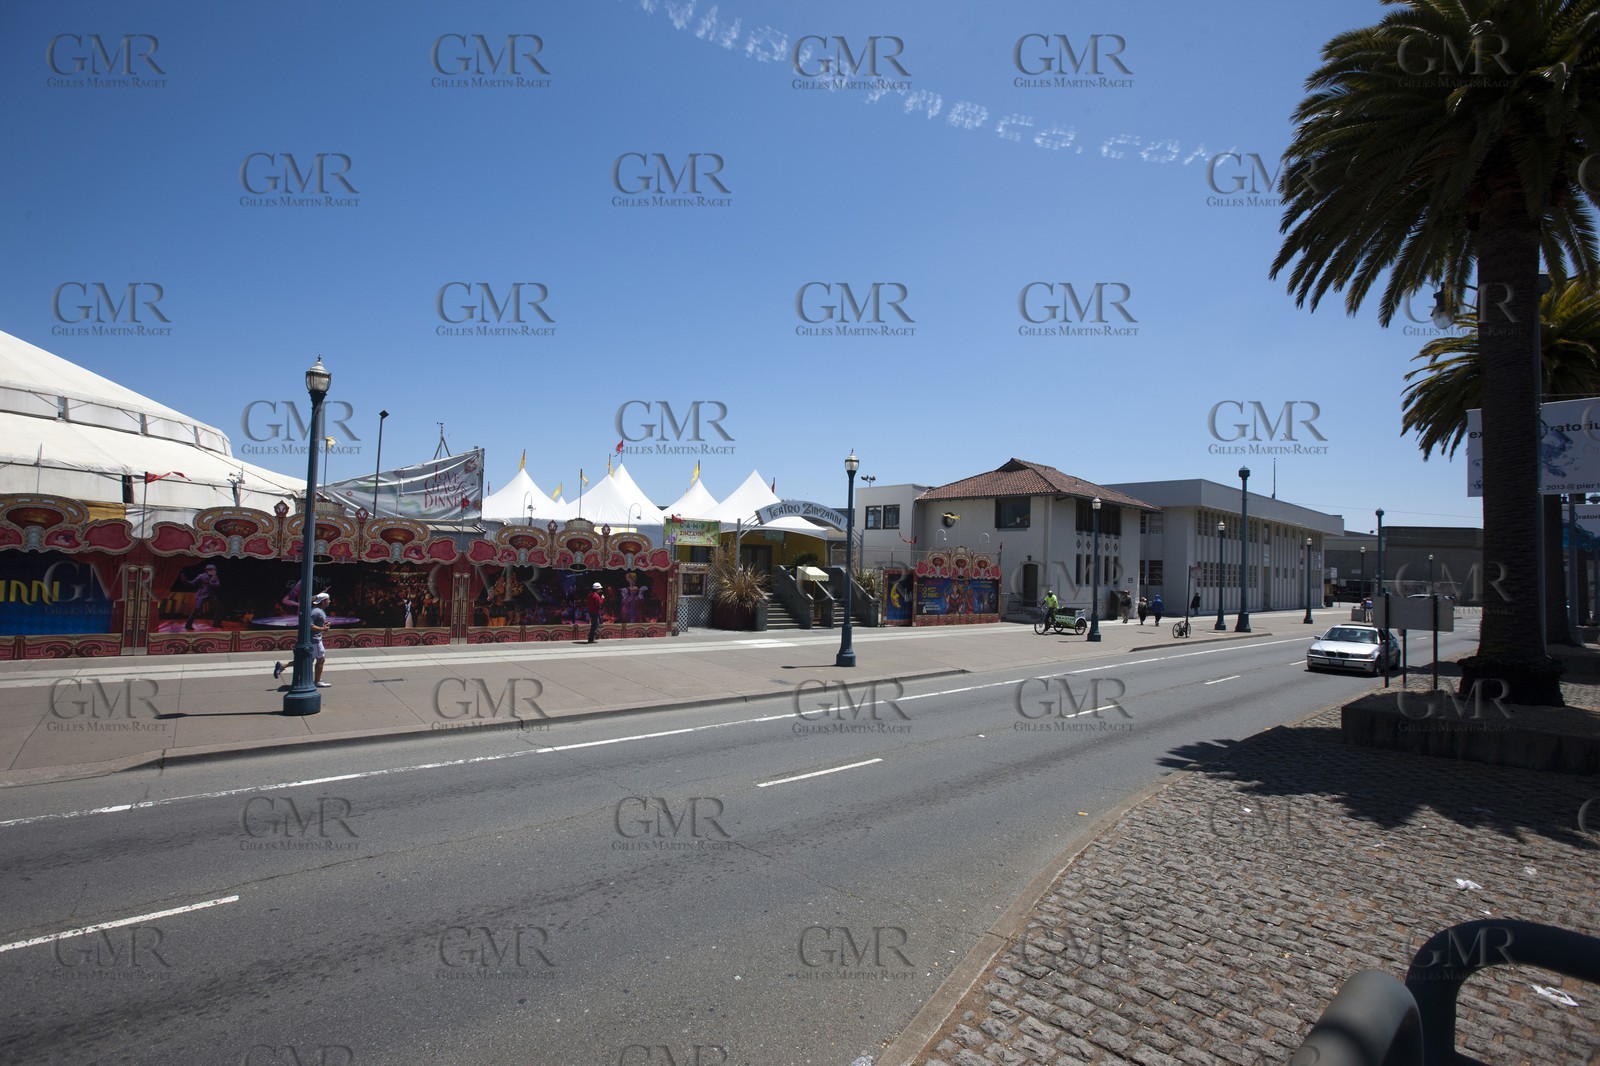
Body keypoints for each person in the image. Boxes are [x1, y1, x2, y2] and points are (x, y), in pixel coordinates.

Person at [183, 563, 222, 631]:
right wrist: (185, 581)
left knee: (218, 608)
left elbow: (218, 585)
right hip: (202, 595)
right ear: (208, 570)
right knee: (196, 610)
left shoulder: (215, 576)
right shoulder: (201, 576)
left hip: (211, 595)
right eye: (213, 570)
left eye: (215, 570)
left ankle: (216, 623)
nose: (215, 571)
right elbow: (192, 583)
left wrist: (210, 583)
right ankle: (188, 625)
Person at [310, 591, 332, 686]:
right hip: (314, 640)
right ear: (323, 601)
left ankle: (316, 679)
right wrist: (323, 628)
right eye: (328, 600)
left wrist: (324, 624)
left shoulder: (319, 611)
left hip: (316, 638)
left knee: (311, 660)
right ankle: (317, 681)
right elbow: (310, 625)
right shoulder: (316, 611)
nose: (329, 601)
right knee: (321, 659)